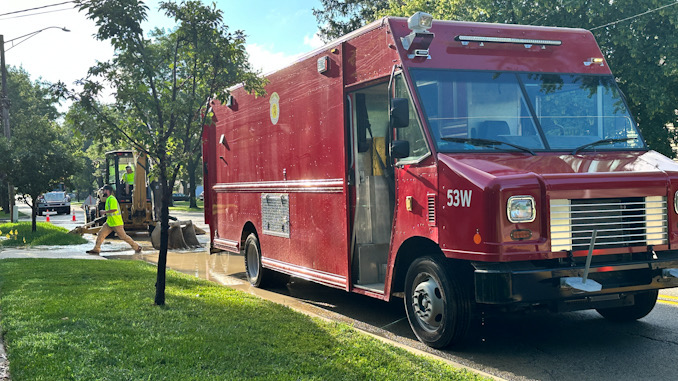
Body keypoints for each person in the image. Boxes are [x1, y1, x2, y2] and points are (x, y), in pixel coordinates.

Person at [86, 185, 142, 255]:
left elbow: (114, 209)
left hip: (116, 223)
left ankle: (137, 247)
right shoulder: (108, 199)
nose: (102, 192)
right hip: (109, 222)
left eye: (103, 190)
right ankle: (96, 249)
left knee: (123, 237)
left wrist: (104, 212)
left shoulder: (111, 199)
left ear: (107, 191)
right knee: (101, 234)